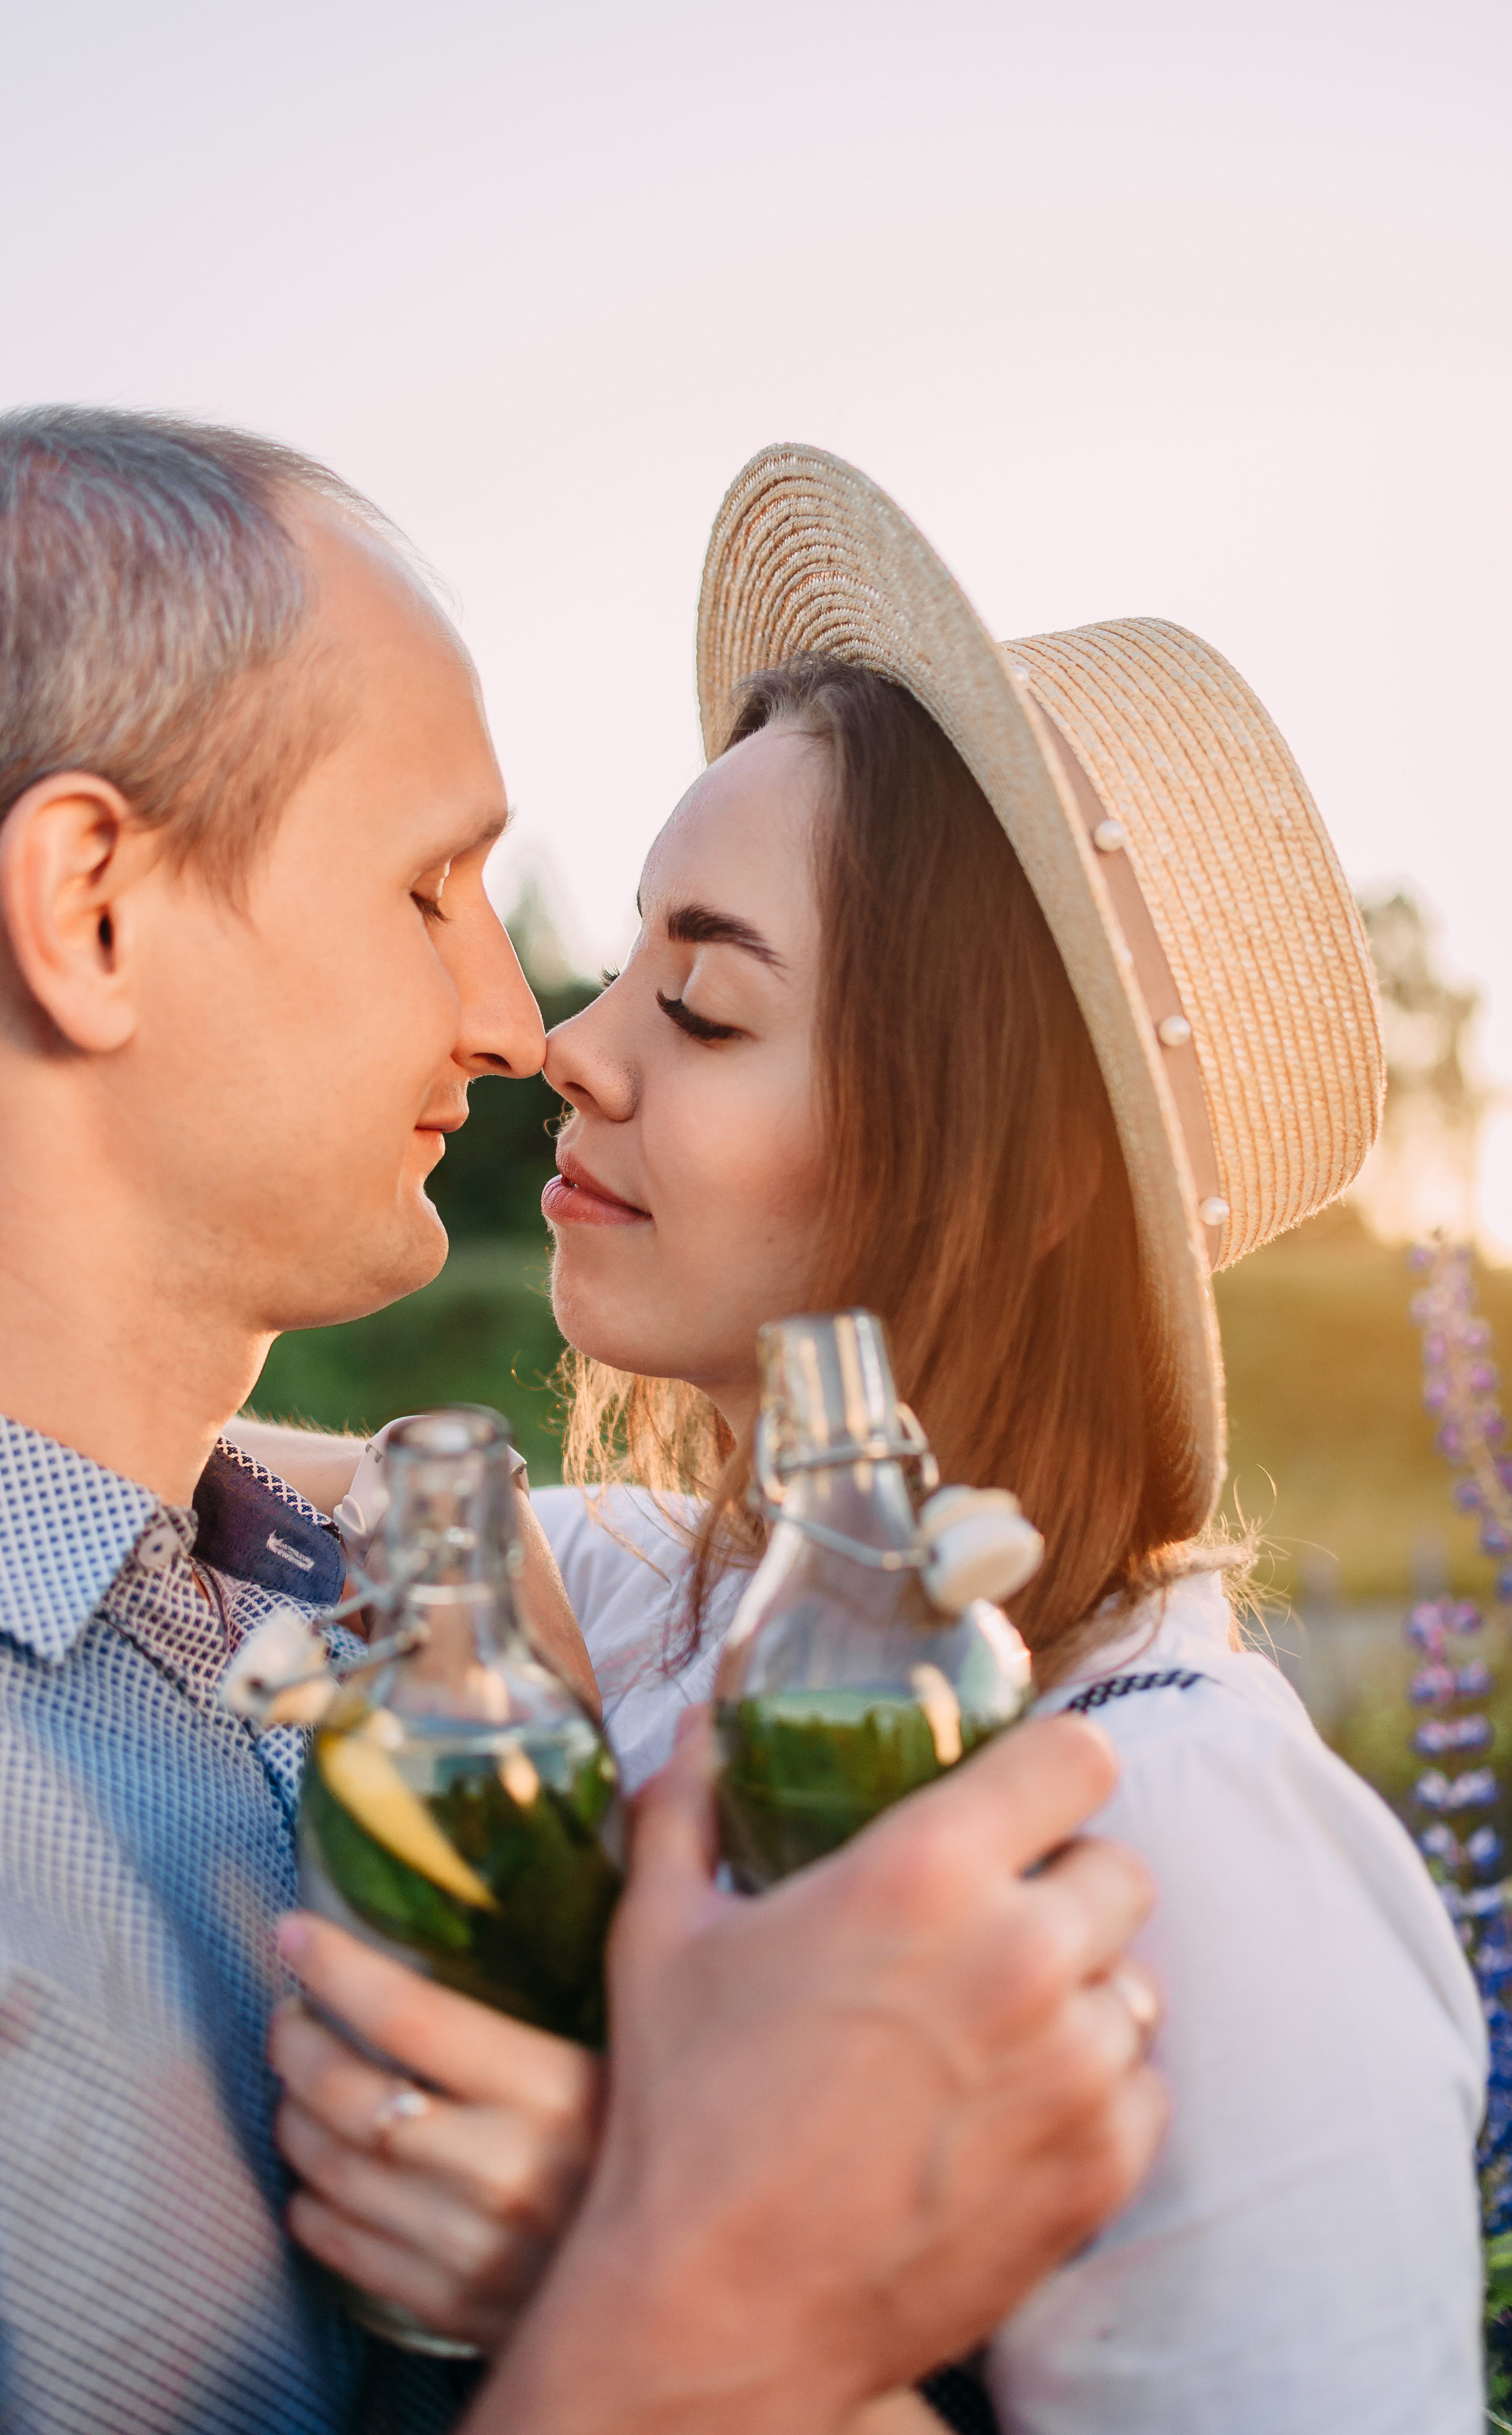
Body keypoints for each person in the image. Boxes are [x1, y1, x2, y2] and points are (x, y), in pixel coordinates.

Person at [0, 408, 1166, 2434]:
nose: (512, 1019)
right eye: (430, 888)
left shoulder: (396, 1606)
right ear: (92, 907)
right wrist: (708, 2309)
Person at [266, 449, 1488, 2431]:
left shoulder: (1192, 1856)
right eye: (623, 964)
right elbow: (163, 1443)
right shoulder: (644, 1601)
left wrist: (645, 2261)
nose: (574, 1043)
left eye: (705, 1002)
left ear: (997, 1181)